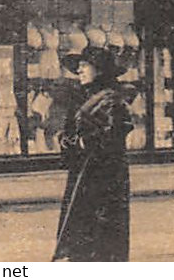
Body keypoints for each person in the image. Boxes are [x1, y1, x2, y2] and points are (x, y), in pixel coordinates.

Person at [53, 46, 132, 262]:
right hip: (84, 175)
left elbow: (111, 139)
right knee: (81, 232)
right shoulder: (86, 98)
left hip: (103, 179)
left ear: (100, 70)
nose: (79, 69)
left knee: (100, 235)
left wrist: (78, 143)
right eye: (78, 66)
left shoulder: (112, 101)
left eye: (85, 65)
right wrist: (66, 139)